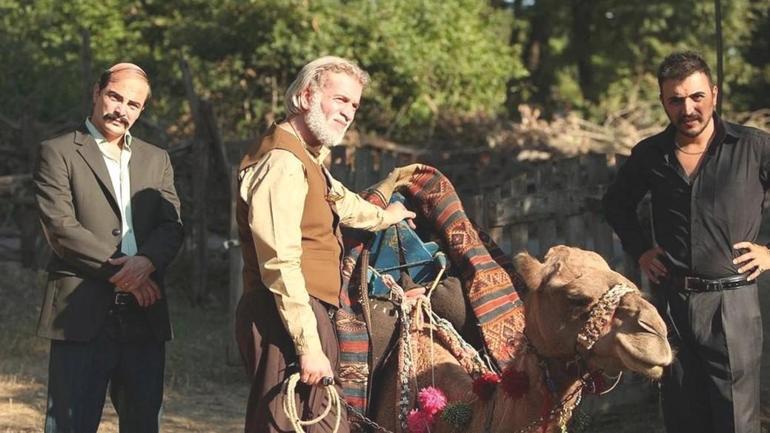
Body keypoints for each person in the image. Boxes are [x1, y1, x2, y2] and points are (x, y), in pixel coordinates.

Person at [234, 56, 416, 433]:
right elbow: (280, 263)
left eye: (354, 105)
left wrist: (387, 216)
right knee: (284, 425)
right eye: (340, 99)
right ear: (305, 97)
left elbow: (342, 200)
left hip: (307, 311)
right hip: (281, 314)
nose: (348, 112)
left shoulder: (308, 158)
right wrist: (307, 344)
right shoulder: (282, 161)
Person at [603, 51, 770, 433]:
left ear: (714, 93)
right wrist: (641, 250)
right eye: (675, 100)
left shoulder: (754, 148)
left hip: (733, 305)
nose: (687, 108)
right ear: (664, 102)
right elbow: (616, 204)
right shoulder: (650, 154)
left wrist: (769, 253)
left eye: (696, 97)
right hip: (673, 306)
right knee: (681, 416)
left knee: (735, 421)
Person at [34, 63, 183, 433]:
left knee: (143, 423)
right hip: (81, 313)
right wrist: (128, 275)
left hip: (144, 315)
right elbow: (61, 229)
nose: (121, 110)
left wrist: (146, 262)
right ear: (96, 92)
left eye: (133, 104)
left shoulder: (156, 158)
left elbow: (171, 225)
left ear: (142, 110)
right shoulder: (58, 152)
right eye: (115, 96)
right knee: (70, 424)